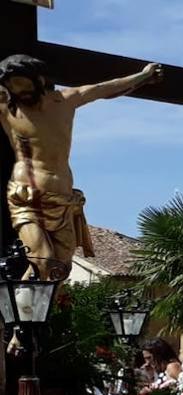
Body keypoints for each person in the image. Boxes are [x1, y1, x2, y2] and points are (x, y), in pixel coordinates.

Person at [0, 55, 163, 276]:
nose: (19, 92)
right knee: (44, 261)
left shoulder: (65, 101)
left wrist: (143, 76)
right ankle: (21, 306)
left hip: (64, 200)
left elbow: (103, 89)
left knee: (61, 269)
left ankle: (23, 307)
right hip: (27, 198)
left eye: (23, 85)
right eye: (12, 87)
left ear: (38, 79)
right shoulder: (6, 107)